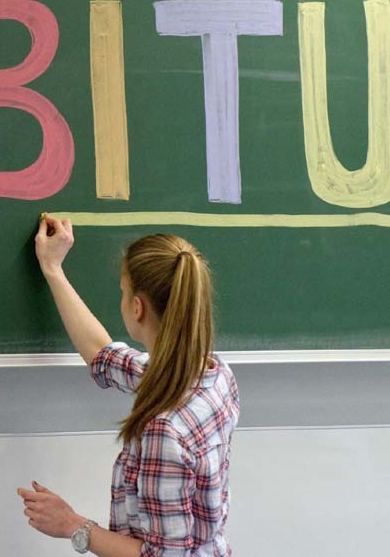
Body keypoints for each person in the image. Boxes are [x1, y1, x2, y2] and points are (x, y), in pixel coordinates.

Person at [17, 215, 240, 557]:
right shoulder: (212, 373)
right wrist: (53, 269)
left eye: (123, 292)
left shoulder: (166, 431)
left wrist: (72, 524)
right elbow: (103, 356)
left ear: (137, 308)